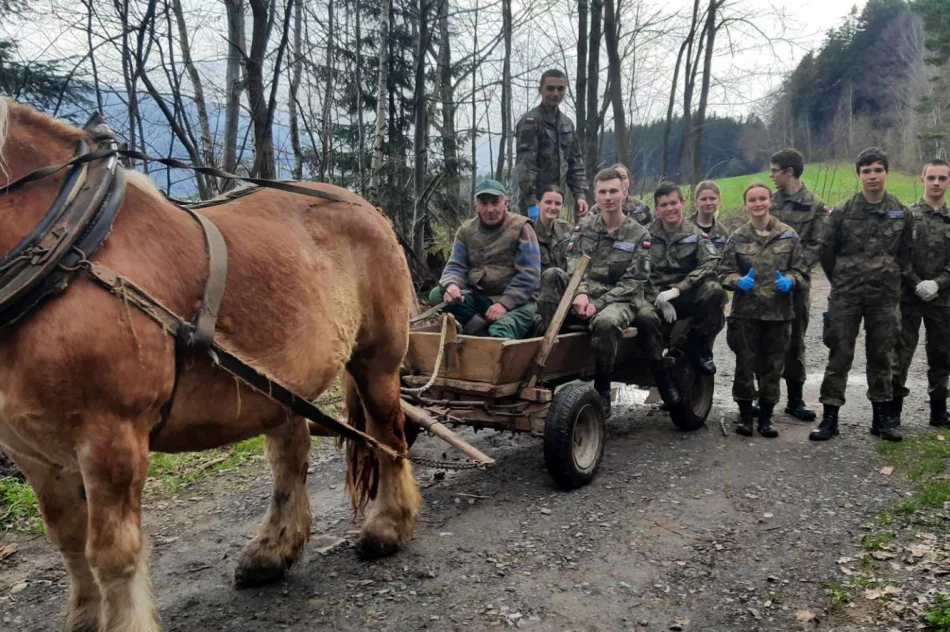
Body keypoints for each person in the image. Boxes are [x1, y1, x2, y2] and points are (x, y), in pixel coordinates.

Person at [810, 147, 914, 442]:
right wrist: (843, 280)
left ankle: (881, 420)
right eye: (866, 171)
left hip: (884, 297)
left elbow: (905, 254)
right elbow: (826, 252)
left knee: (882, 356)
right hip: (847, 295)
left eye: (878, 169)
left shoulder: (901, 212)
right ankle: (830, 419)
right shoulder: (843, 211)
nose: (872, 176)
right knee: (839, 354)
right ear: (859, 175)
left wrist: (890, 279)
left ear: (887, 173)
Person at [535, 168, 651, 414]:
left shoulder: (639, 234)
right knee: (552, 275)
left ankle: (603, 388)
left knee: (606, 323)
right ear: (595, 196)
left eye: (613, 191)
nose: (608, 197)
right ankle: (546, 365)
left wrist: (597, 304)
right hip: (582, 293)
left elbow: (634, 281)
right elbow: (574, 263)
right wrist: (581, 293)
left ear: (624, 193)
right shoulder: (584, 228)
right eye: (602, 192)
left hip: (619, 299)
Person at [719, 183, 808, 437]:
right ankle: (746, 416)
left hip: (778, 315)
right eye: (752, 200)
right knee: (744, 366)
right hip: (746, 314)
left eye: (762, 199)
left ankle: (767, 417)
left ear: (770, 202)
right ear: (746, 205)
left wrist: (791, 280)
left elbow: (802, 271)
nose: (758, 204)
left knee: (773, 367)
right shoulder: (737, 237)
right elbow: (723, 273)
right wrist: (737, 281)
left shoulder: (788, 236)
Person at [635, 182, 726, 381]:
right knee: (643, 317)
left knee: (714, 290)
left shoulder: (695, 235)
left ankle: (697, 346)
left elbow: (711, 263)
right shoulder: (645, 235)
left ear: (683, 203)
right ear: (657, 208)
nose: (670, 209)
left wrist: (677, 289)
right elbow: (638, 272)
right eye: (664, 205)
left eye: (673, 203)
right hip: (656, 297)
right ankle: (660, 376)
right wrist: (657, 298)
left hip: (685, 295)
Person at [430, 179, 541, 338]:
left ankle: (487, 333)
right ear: (476, 206)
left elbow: (529, 276)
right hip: (480, 298)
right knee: (437, 295)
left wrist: (504, 304)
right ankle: (477, 327)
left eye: (495, 202)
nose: (490, 209)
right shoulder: (466, 231)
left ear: (505, 203)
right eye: (484, 203)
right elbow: (455, 266)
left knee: (499, 333)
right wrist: (452, 285)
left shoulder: (522, 228)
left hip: (518, 302)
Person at [769, 148, 828, 422]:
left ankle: (795, 400)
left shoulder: (814, 205)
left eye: (775, 170)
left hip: (797, 286)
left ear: (789, 172)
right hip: (767, 284)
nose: (771, 175)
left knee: (795, 342)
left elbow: (818, 244)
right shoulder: (768, 203)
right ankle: (765, 398)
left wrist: (793, 270)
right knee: (766, 340)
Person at [892, 159, 950, 428]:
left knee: (941, 354)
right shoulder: (907, 215)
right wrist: (916, 282)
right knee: (900, 354)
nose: (936, 183)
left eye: (942, 178)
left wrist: (938, 283)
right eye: (932, 178)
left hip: (943, 299)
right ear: (922, 180)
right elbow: (899, 255)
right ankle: (893, 411)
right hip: (909, 297)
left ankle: (939, 410)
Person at [514, 69, 589, 221]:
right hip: (534, 201)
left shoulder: (566, 124)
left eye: (560, 89)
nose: (555, 93)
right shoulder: (531, 122)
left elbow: (575, 162)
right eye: (550, 88)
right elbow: (526, 165)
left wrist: (580, 195)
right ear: (540, 89)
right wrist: (531, 202)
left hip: (556, 199)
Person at [534, 185, 572, 272]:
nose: (553, 207)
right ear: (538, 203)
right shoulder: (528, 231)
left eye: (558, 204)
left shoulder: (567, 229)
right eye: (548, 202)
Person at [690, 180, 729, 253]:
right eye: (703, 199)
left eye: (712, 199)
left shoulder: (723, 233)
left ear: (719, 200)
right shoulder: (683, 227)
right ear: (696, 201)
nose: (708, 203)